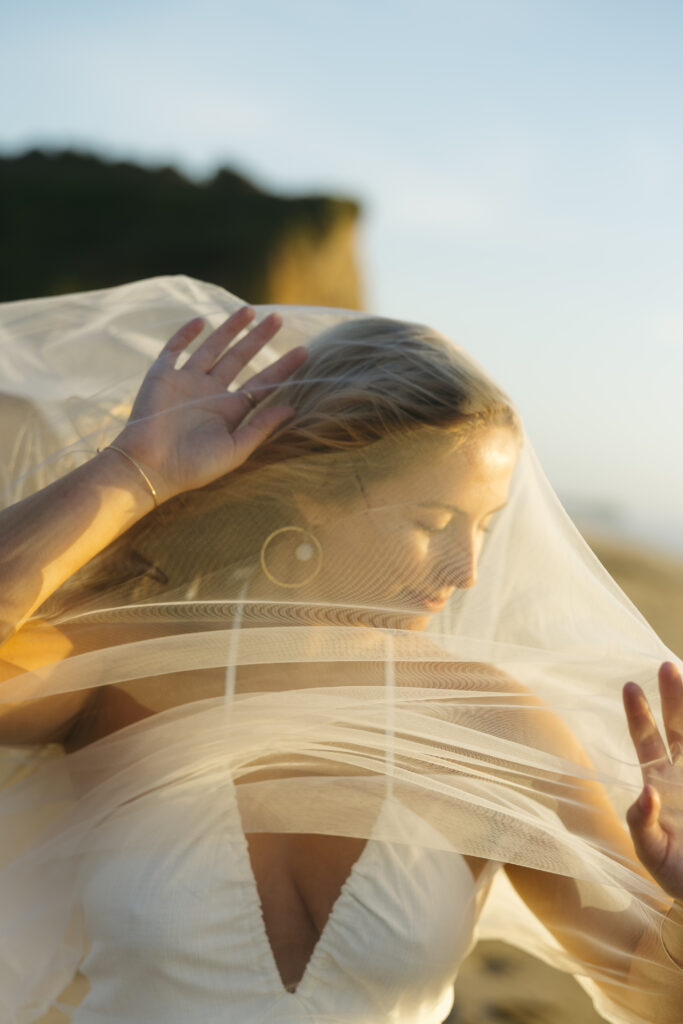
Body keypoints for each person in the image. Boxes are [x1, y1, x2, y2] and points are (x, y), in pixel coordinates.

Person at [0, 276, 681, 1024]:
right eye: (435, 518)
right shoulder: (126, 666)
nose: (468, 571)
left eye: (483, 525)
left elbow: (646, 992)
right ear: (314, 492)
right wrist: (137, 472)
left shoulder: (493, 727)